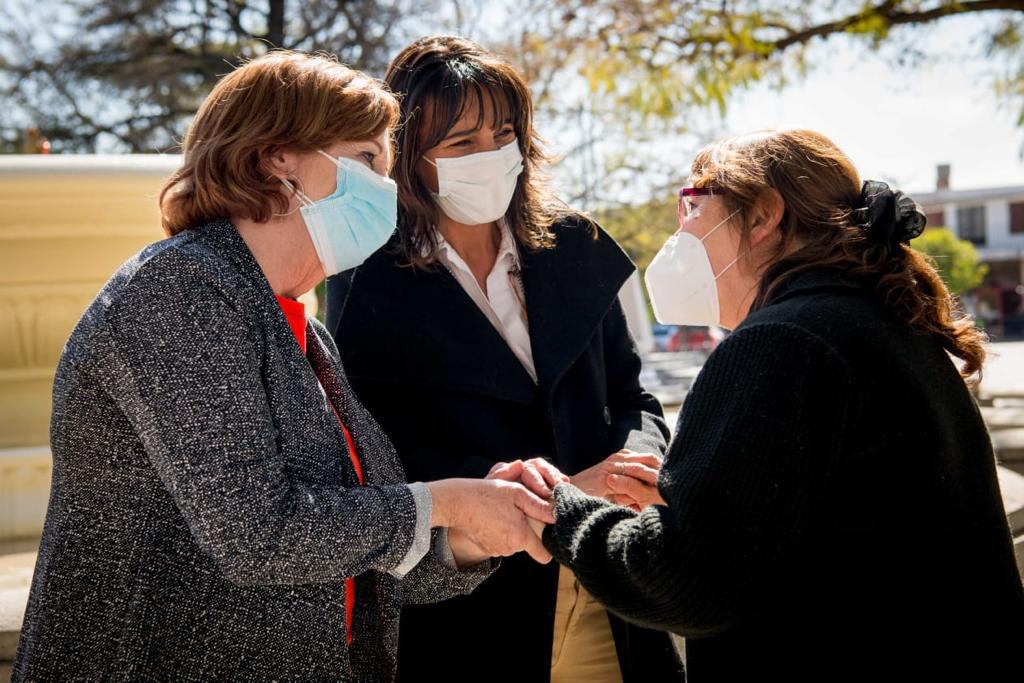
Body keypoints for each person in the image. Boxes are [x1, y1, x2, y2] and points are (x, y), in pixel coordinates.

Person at [13, 51, 556, 682]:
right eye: (367, 161)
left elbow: (351, 539)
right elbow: (257, 533)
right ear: (275, 159)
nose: (389, 187)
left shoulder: (303, 329)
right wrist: (445, 501)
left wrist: (474, 531)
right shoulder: (179, 289)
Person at [528, 129, 1024, 680]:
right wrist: (691, 499)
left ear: (763, 215)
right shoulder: (871, 322)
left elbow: (688, 584)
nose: (679, 230)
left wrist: (560, 506)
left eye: (692, 204)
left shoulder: (782, 341)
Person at [328, 36, 684, 682]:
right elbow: (383, 455)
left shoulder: (575, 245)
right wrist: (562, 492)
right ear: (409, 157)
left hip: (611, 587)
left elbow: (634, 397)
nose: (491, 155)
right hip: (478, 612)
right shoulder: (367, 281)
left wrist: (639, 460)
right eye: (462, 143)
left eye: (503, 133)